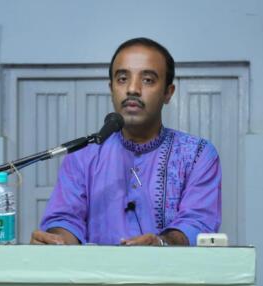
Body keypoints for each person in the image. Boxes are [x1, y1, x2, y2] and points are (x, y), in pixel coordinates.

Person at [31, 37, 221, 246]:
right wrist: (58, 241)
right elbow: (66, 219)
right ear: (111, 87)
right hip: (97, 276)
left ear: (168, 92)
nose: (132, 89)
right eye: (122, 79)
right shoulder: (82, 155)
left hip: (170, 276)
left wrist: (161, 242)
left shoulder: (197, 155)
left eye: (148, 80)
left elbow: (198, 223)